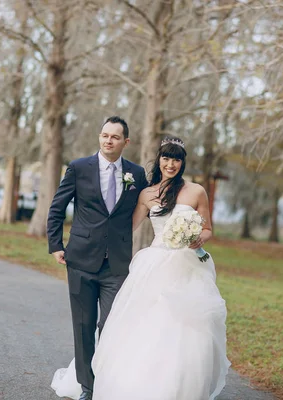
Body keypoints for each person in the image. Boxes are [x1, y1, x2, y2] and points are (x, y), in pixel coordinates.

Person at [53, 136, 231, 400]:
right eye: (166, 158)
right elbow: (127, 227)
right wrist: (86, 237)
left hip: (188, 266)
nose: (171, 164)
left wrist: (197, 239)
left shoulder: (196, 191)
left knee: (185, 326)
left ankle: (180, 384)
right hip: (156, 262)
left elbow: (207, 229)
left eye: (176, 159)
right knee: (146, 322)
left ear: (183, 163)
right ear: (159, 160)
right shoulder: (147, 193)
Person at [47, 116, 148, 400]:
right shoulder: (79, 168)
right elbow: (57, 207)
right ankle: (88, 388)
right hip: (80, 260)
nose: (108, 140)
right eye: (104, 135)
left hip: (116, 264)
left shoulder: (136, 175)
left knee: (111, 325)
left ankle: (108, 379)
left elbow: (152, 200)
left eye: (115, 137)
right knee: (83, 326)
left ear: (125, 142)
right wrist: (56, 244)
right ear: (99, 137)